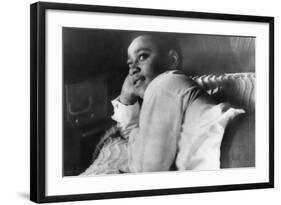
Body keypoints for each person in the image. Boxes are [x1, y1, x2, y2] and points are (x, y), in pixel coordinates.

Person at [81, 33, 244, 175]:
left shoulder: (165, 82)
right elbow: (143, 147)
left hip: (238, 149)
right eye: (130, 64)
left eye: (142, 56)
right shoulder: (168, 93)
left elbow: (147, 169)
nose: (133, 70)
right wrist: (126, 97)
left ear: (172, 59)